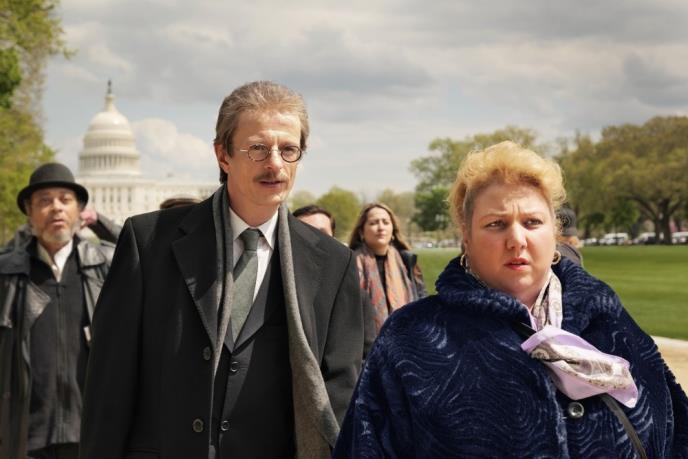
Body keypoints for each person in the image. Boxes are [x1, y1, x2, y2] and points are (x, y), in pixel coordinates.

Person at [334, 141, 688, 458]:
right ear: (466, 237)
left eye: (532, 222)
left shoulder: (608, 318)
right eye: (496, 224)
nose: (517, 239)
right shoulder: (411, 337)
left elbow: (675, 433)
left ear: (554, 232)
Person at [80, 81, 365, 459]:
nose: (275, 164)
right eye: (258, 148)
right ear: (223, 155)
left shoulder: (333, 263)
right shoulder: (148, 243)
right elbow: (109, 384)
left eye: (288, 150)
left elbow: (339, 395)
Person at [0, 162, 113, 459]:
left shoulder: (106, 268)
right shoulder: (7, 274)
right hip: (25, 438)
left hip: (91, 436)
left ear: (80, 210)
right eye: (44, 201)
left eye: (65, 199)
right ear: (29, 212)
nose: (56, 208)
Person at [348, 203, 426, 334]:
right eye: (373, 223)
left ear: (393, 229)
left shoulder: (407, 261)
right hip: (363, 342)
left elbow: (422, 303)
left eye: (385, 222)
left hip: (407, 340)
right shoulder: (350, 264)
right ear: (361, 231)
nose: (381, 227)